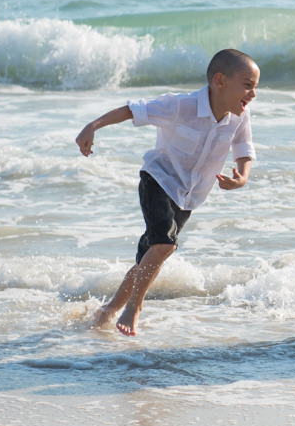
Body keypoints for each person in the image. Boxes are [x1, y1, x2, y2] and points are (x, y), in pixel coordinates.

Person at [76, 49, 259, 336]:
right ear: (220, 81)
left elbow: (244, 150)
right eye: (248, 85)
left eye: (256, 87)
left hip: (188, 196)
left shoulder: (239, 118)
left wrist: (243, 177)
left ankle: (107, 310)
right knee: (165, 244)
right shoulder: (179, 105)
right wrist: (92, 126)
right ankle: (134, 307)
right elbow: (132, 110)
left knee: (150, 257)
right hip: (158, 179)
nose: (253, 94)